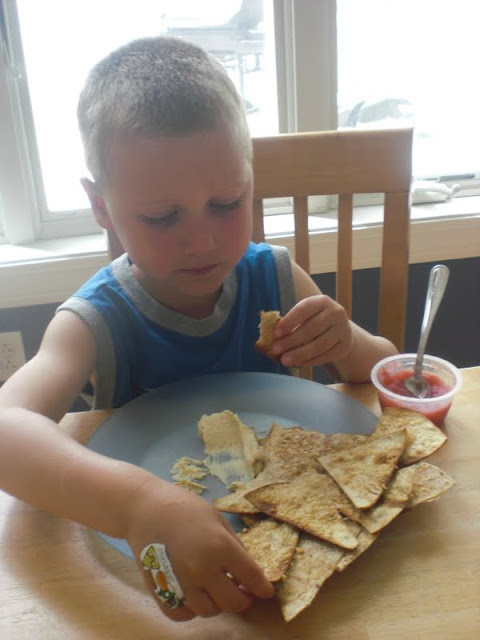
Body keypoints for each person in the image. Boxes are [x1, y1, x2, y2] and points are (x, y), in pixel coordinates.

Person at [0, 36, 397, 622]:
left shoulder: (278, 278)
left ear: (249, 179)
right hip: (153, 577)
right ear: (103, 208)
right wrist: (135, 505)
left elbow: (383, 366)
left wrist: (348, 343)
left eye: (227, 202)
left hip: (313, 564)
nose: (203, 242)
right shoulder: (95, 321)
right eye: (162, 217)